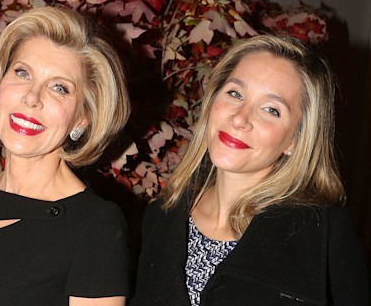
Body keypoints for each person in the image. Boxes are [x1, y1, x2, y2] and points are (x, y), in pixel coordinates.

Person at [131, 35, 369, 305]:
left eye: (271, 109)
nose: (240, 118)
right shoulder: (162, 214)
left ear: (295, 140)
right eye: (235, 93)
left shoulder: (324, 237)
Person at [0, 6, 132, 305]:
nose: (31, 97)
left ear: (82, 119)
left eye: (59, 88)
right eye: (22, 73)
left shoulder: (96, 226)